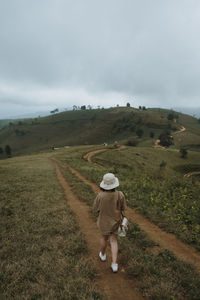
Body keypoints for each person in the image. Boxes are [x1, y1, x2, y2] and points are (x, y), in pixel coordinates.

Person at [93, 173, 126, 273]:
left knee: (104, 238)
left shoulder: (100, 195)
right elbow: (123, 208)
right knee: (113, 241)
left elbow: (95, 209)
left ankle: (102, 254)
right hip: (115, 221)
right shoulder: (120, 194)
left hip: (103, 221)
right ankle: (114, 264)